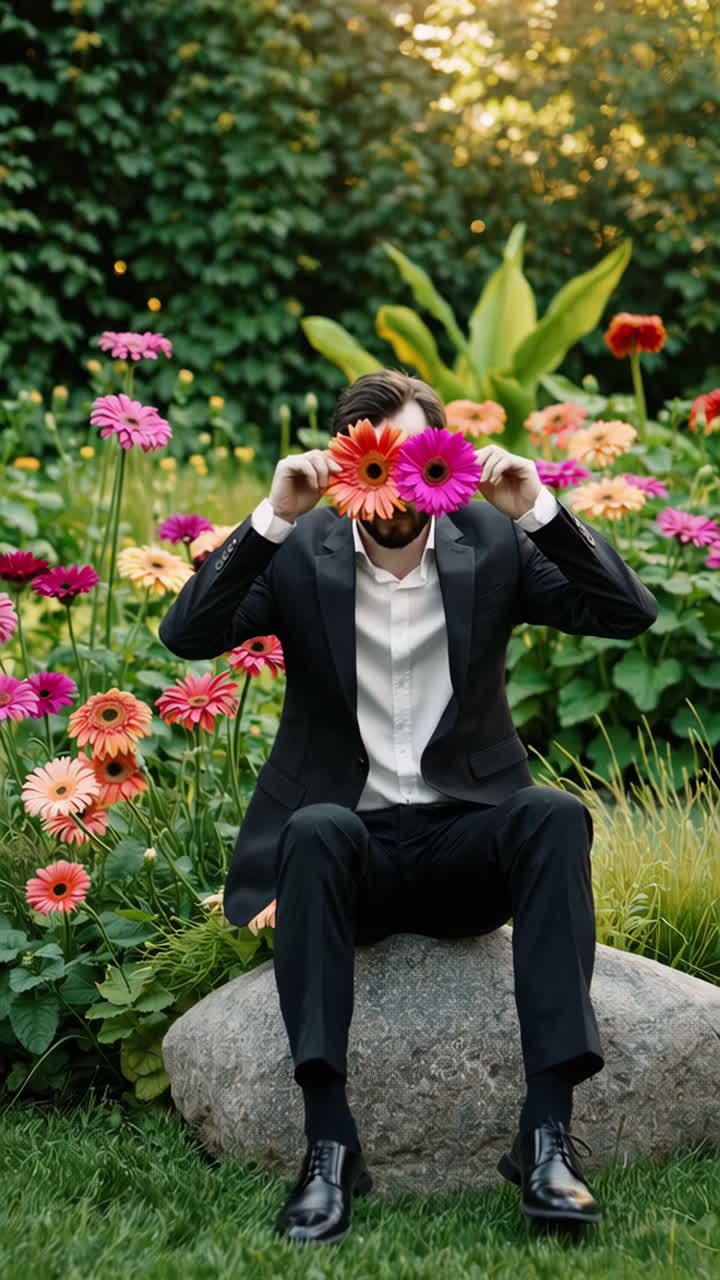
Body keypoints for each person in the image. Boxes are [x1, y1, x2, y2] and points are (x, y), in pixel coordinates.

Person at [158, 369, 658, 1246]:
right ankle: (329, 1148)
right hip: (348, 860)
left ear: (445, 458)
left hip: (468, 846)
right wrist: (273, 515)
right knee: (314, 829)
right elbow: (187, 633)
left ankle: (545, 1139)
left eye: (415, 449)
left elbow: (627, 612)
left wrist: (536, 507)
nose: (397, 473)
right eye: (375, 451)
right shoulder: (303, 551)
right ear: (349, 460)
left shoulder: (491, 544)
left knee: (553, 814)